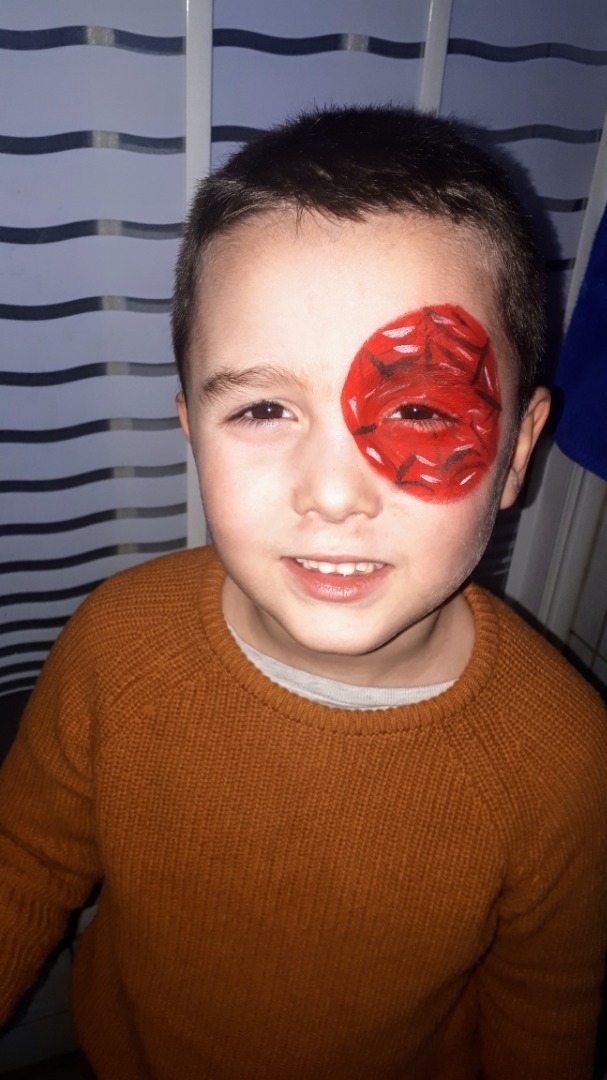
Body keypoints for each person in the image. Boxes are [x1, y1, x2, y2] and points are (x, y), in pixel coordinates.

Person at [0, 105, 606, 1080]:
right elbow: (24, 859)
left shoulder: (564, 763)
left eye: (419, 410)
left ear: (517, 451)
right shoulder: (117, 645)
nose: (329, 492)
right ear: (190, 430)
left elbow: (545, 1011)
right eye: (263, 408)